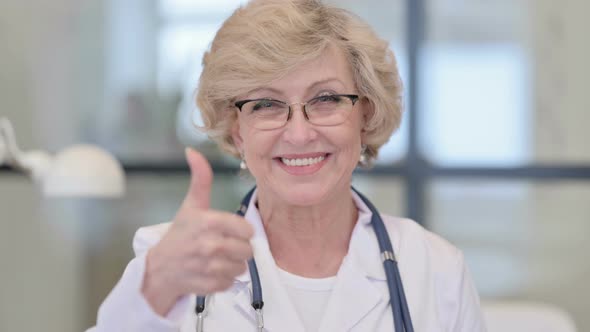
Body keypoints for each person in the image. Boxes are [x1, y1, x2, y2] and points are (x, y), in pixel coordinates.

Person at [87, 0, 486, 331]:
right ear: (237, 129)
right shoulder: (175, 260)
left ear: (365, 114)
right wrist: (155, 286)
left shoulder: (434, 268)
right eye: (265, 104)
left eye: (326, 98)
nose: (299, 134)